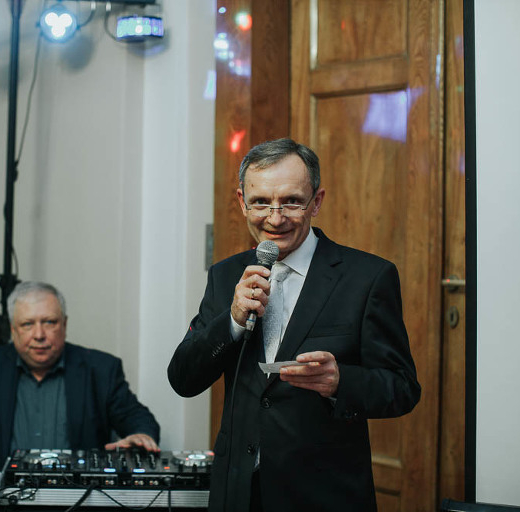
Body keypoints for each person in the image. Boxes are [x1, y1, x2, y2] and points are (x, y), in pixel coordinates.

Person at [167, 138, 420, 512]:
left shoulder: (368, 277)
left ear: (316, 202)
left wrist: (341, 382)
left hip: (323, 495)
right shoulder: (225, 276)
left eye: (291, 201)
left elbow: (402, 387)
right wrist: (232, 320)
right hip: (238, 494)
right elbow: (183, 379)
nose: (274, 217)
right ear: (242, 202)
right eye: (260, 202)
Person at [0, 281, 160, 458]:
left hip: (78, 493)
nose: (39, 335)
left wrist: (141, 435)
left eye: (49, 322)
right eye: (27, 324)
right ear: (13, 329)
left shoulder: (100, 369)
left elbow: (137, 417)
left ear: (64, 325)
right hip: (1, 492)